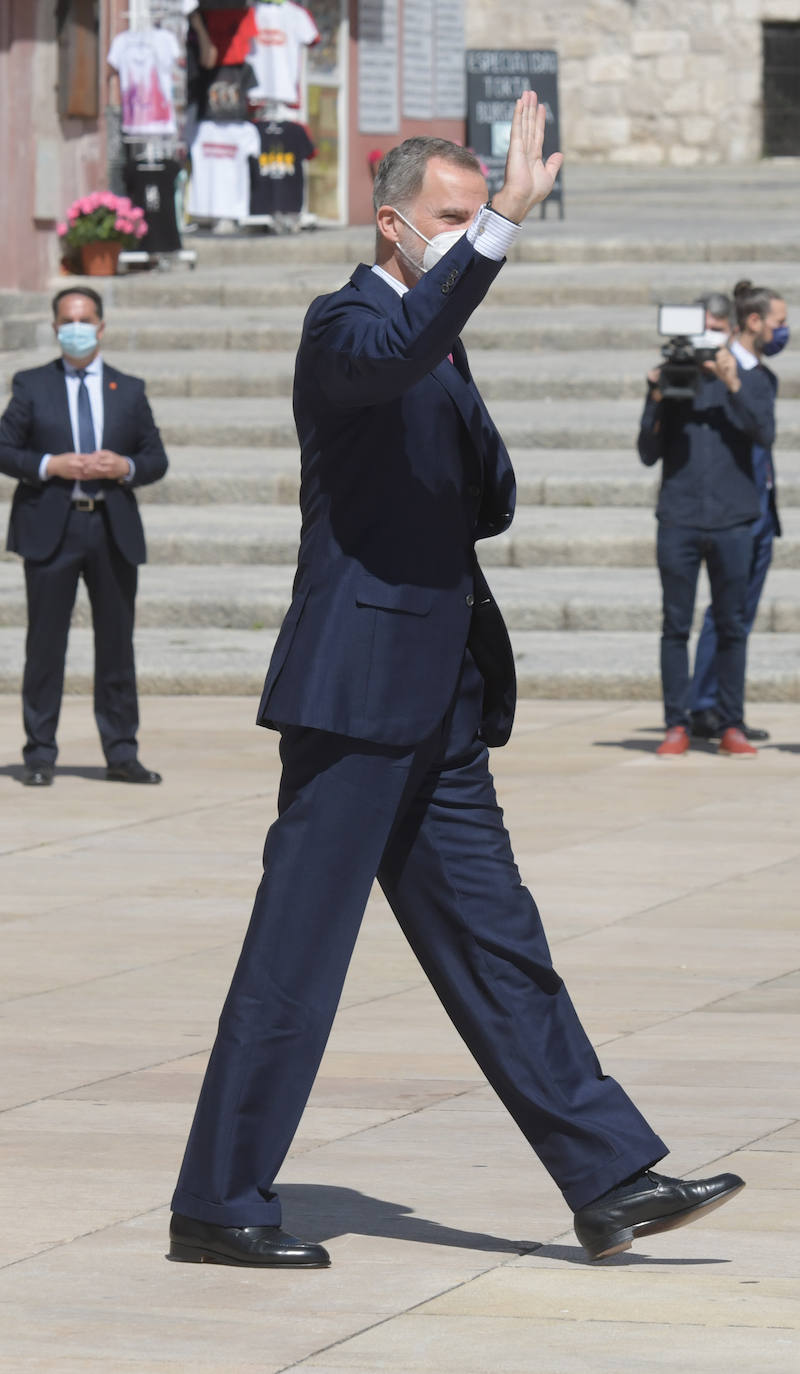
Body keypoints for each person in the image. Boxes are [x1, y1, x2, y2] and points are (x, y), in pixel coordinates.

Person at [167, 93, 744, 1270]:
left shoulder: (436, 335)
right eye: (451, 217)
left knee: (500, 942)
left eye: (478, 216)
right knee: (298, 956)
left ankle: (609, 1179)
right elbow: (399, 351)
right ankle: (219, 1200)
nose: (470, 229)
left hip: (439, 699)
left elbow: (470, 475)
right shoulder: (344, 326)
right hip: (352, 690)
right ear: (393, 227)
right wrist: (499, 239)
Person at [0, 286, 167, 786]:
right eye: (67, 321)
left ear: (101, 325)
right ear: (55, 328)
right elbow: (4, 447)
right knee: (45, 645)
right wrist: (52, 464)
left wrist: (126, 465)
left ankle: (121, 752)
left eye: (85, 319)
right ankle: (39, 753)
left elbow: (155, 458)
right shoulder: (32, 385)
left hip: (111, 527)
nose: (76, 328)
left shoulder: (128, 389)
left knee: (116, 644)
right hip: (52, 525)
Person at [638, 286, 776, 758]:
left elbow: (765, 433)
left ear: (731, 332)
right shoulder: (676, 377)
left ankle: (730, 722)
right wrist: (657, 395)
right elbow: (647, 452)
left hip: (734, 519)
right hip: (678, 517)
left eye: (714, 334)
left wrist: (732, 383)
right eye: (699, 334)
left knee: (733, 624)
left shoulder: (753, 378)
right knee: (675, 625)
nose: (705, 345)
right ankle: (676, 723)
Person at [689, 281, 788, 744]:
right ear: (753, 321)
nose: (782, 331)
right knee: (725, 615)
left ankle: (725, 707)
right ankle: (708, 707)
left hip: (761, 508)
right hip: (732, 511)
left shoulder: (761, 374)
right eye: (778, 322)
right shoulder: (719, 371)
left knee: (739, 614)